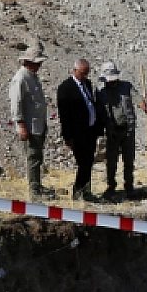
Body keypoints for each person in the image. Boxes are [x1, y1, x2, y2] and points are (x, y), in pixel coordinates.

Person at [8, 41, 51, 201]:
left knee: (37, 157)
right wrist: (20, 125)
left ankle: (37, 185)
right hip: (30, 127)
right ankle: (34, 191)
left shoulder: (32, 76)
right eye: (37, 63)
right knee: (33, 158)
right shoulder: (21, 78)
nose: (39, 66)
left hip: (38, 125)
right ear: (29, 62)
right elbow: (16, 103)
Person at [56, 58, 102, 201]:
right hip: (77, 133)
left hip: (90, 131)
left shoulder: (87, 84)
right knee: (83, 162)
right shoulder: (65, 88)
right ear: (75, 71)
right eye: (82, 73)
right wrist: (67, 136)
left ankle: (86, 191)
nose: (85, 76)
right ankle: (78, 192)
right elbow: (64, 114)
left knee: (89, 162)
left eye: (87, 73)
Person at [96, 60, 138, 201]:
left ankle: (129, 187)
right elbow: (101, 112)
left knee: (129, 160)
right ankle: (111, 187)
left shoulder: (126, 86)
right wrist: (108, 128)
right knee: (112, 161)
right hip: (112, 132)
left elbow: (138, 97)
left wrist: (144, 106)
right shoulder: (100, 92)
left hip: (127, 129)